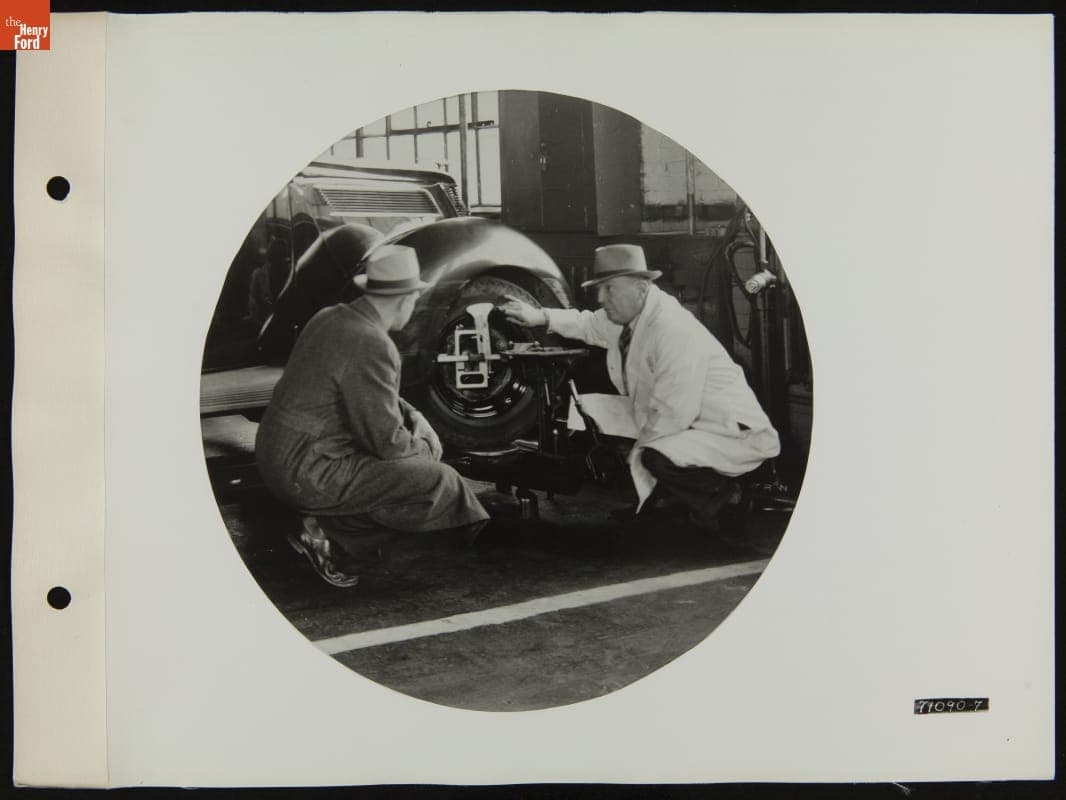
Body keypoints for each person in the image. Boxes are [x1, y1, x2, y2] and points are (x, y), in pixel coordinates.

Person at [255, 243, 489, 587]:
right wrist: (426, 449)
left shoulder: (331, 317)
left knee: (406, 474)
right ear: (405, 299)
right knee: (440, 482)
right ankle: (335, 542)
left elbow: (363, 392)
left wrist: (414, 415)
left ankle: (322, 527)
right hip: (308, 470)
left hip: (278, 457)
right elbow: (387, 443)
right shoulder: (372, 342)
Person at [501, 243, 779, 531]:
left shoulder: (673, 330)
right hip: (688, 417)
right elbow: (587, 324)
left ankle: (728, 499)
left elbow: (673, 412)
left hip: (727, 429)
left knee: (653, 456)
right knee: (588, 413)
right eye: (599, 289)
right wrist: (540, 316)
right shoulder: (631, 317)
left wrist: (635, 451)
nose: (600, 298)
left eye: (609, 289)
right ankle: (665, 500)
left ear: (641, 288)